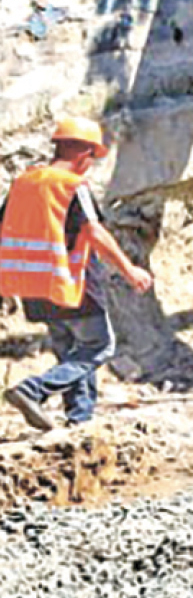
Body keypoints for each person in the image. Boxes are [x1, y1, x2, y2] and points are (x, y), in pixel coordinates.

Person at [2, 116, 153, 430]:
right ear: (85, 154)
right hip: (72, 283)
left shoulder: (24, 183)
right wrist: (129, 270)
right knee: (98, 346)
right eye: (93, 158)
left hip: (35, 287)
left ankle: (79, 418)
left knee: (71, 352)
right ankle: (33, 390)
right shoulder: (71, 185)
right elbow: (94, 233)